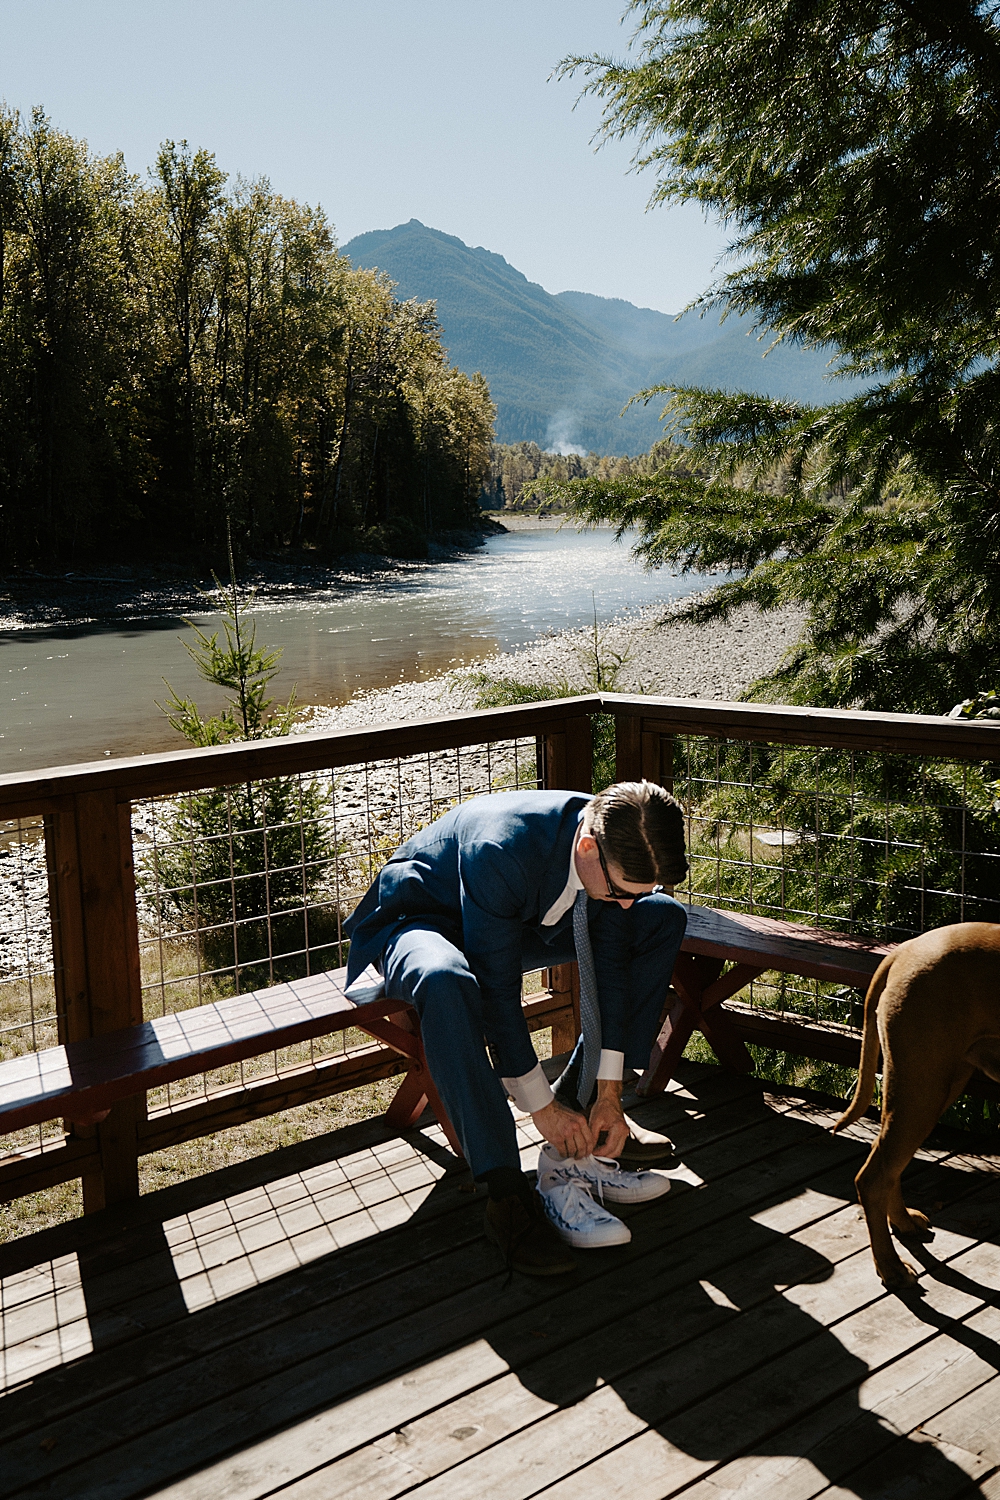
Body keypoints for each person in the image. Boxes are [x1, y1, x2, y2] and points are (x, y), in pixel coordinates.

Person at [344, 779, 689, 1275]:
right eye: (621, 890)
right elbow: (497, 991)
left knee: (661, 919)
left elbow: (611, 963)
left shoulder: (609, 849)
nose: (627, 902)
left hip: (516, 919)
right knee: (448, 981)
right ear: (588, 847)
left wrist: (610, 1093)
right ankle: (506, 1194)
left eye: (640, 890)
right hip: (423, 920)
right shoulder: (500, 848)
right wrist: (541, 1109)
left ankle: (590, 1111)